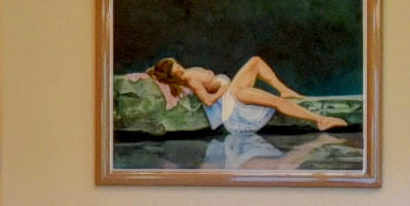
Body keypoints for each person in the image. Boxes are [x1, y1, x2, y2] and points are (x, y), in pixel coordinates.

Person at [147, 55, 348, 131]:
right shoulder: (191, 80)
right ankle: (320, 120)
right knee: (274, 101)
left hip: (231, 91)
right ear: (173, 76)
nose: (181, 69)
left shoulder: (188, 74)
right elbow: (208, 101)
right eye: (177, 71)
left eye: (178, 65)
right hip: (231, 100)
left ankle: (284, 90)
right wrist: (223, 89)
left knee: (255, 61)